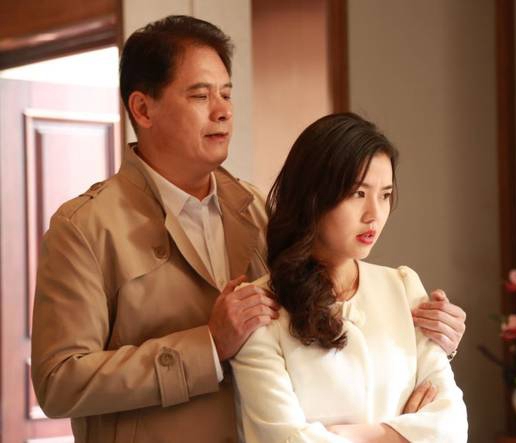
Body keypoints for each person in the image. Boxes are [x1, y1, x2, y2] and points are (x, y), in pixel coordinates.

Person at [30, 15, 465, 443]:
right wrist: (208, 345)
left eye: (226, 94)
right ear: (143, 108)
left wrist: (426, 340)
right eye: (201, 96)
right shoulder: (85, 227)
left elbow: (318, 324)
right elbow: (58, 381)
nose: (222, 111)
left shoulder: (256, 209)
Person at [231, 113, 468, 443]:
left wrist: (365, 435)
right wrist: (408, 434)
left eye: (385, 195)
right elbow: (284, 439)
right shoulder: (260, 309)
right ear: (313, 196)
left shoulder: (403, 287)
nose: (374, 214)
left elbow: (452, 426)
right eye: (358, 193)